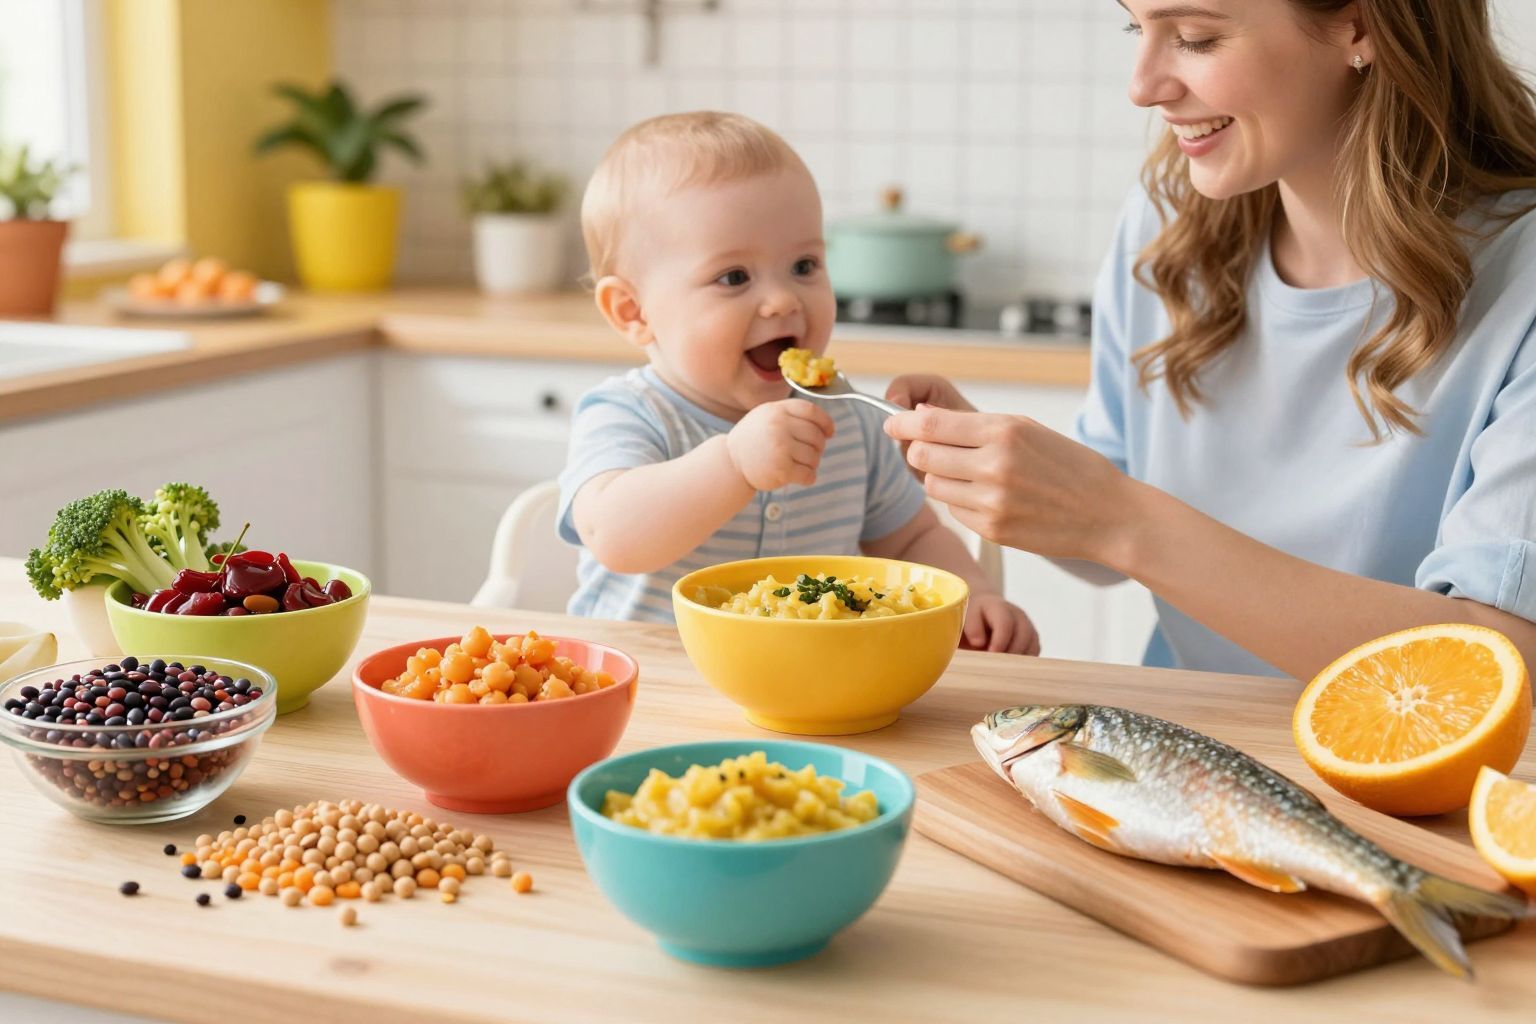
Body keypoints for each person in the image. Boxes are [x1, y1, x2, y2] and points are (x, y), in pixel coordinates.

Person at [883, 0, 1536, 678]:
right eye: (1137, 28)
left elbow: (1500, 658)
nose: (1142, 87)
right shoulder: (1168, 225)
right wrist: (1000, 471)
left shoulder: (1522, 283)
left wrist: (1120, 520)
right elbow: (1107, 527)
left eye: (1196, 38)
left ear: (1362, 26)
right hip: (1188, 732)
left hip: (1408, 748)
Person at [558, 111, 1039, 653]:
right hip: (651, 684)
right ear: (633, 311)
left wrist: (976, 597)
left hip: (818, 682)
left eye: (805, 266)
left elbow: (911, 539)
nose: (784, 299)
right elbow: (614, 536)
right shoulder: (629, 413)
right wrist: (734, 463)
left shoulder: (847, 418)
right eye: (734, 277)